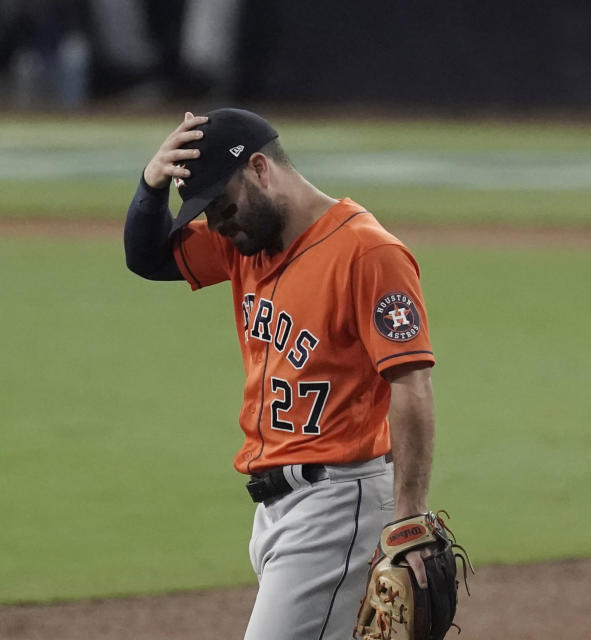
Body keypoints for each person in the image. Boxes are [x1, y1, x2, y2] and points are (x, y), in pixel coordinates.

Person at [123, 108, 438, 640]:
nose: (217, 226)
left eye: (222, 208)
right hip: (276, 507)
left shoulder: (368, 252)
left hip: (340, 505)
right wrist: (151, 185)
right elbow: (148, 256)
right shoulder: (246, 242)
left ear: (261, 170)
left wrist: (409, 514)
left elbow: (411, 385)